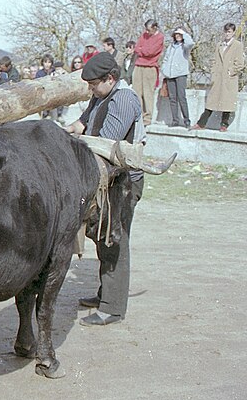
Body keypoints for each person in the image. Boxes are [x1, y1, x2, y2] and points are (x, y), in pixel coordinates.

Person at [65, 52, 146, 326]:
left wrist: (75, 144)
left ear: (110, 78)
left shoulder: (123, 99)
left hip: (123, 181)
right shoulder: (101, 96)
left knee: (115, 238)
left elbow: (105, 143)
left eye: (94, 84)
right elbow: (82, 123)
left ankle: (112, 308)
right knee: (101, 236)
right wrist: (60, 134)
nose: (91, 88)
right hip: (105, 178)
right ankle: (105, 294)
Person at [192, 23, 244, 132]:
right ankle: (201, 123)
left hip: (229, 79)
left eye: (229, 32)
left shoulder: (237, 45)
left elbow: (240, 64)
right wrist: (213, 72)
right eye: (225, 31)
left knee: (227, 103)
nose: (227, 34)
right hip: (218, 78)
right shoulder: (219, 45)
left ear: (233, 32)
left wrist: (231, 72)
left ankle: (224, 125)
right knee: (211, 101)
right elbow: (214, 60)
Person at [161, 27, 195, 128]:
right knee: (172, 98)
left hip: (181, 74)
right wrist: (164, 70)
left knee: (181, 97)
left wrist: (184, 34)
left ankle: (186, 120)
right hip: (170, 75)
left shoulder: (185, 46)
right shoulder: (171, 46)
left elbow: (190, 43)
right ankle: (175, 120)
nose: (178, 36)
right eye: (176, 34)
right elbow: (166, 59)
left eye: (180, 34)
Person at [132, 19, 164, 125]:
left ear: (155, 28)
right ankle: (138, 115)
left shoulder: (160, 37)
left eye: (149, 29)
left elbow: (150, 52)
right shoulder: (144, 35)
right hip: (139, 65)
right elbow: (137, 48)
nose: (147, 32)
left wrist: (142, 50)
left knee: (147, 93)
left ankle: (148, 117)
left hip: (150, 67)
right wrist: (142, 50)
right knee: (137, 92)